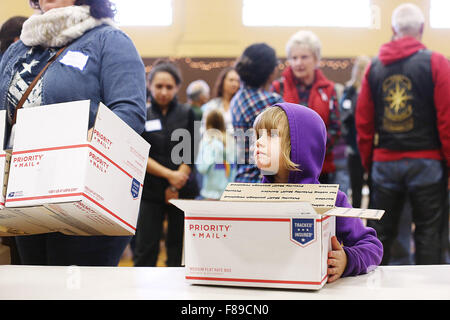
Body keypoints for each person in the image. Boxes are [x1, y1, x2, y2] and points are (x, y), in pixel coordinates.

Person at [0, 0, 146, 266]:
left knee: (77, 289)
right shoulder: (17, 48)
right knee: (33, 288)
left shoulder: (109, 40)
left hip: (85, 196)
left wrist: (92, 141)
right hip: (25, 194)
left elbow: (130, 111)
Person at [356, 3, 450, 265]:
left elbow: (363, 124)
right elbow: (447, 120)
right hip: (427, 162)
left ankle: (375, 289)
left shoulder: (373, 68)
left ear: (392, 29)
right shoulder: (437, 62)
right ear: (421, 28)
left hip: (385, 162)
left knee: (380, 234)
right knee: (429, 234)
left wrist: (368, 163)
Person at [253, 103, 383, 282]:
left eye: (271, 135)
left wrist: (347, 260)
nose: (258, 142)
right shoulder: (251, 196)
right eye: (258, 135)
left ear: (300, 147)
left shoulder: (331, 200)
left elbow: (373, 247)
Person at [134, 60, 198, 267]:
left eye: (169, 87)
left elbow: (192, 151)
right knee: (146, 248)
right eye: (158, 86)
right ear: (149, 85)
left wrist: (175, 182)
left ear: (177, 87)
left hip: (182, 188)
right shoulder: (140, 114)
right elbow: (139, 154)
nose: (163, 92)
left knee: (178, 249)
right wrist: (169, 176)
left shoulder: (188, 113)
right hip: (150, 191)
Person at [271, 30, 341, 184]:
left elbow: (335, 128)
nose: (298, 63)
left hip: (321, 168)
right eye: (294, 58)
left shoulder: (329, 89)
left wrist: (313, 153)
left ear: (316, 59)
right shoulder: (278, 88)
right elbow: (272, 127)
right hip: (286, 171)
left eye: (304, 57)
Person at [231, 43, 283, 183]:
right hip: (262, 178)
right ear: (270, 71)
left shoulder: (237, 98)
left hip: (243, 175)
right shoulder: (271, 101)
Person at [340, 56, 371, 207]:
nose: (360, 72)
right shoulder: (349, 90)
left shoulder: (371, 90)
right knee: (356, 188)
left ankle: (371, 224)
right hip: (353, 147)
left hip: (370, 147)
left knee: (373, 188)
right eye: (358, 68)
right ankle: (356, 224)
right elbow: (343, 114)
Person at [196, 109, 236, 200]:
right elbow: (234, 168)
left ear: (207, 123)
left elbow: (202, 168)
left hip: (211, 193)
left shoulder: (208, 142)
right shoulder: (231, 141)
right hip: (229, 193)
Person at [202, 67, 240, 134]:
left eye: (238, 81)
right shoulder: (212, 105)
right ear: (223, 82)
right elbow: (204, 128)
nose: (235, 84)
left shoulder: (241, 105)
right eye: (231, 80)